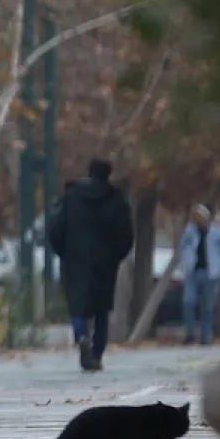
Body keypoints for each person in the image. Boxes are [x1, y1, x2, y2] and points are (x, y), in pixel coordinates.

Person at [46, 158, 134, 372]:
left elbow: (55, 227)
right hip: (105, 263)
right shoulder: (116, 199)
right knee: (101, 309)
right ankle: (97, 351)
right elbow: (126, 235)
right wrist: (115, 256)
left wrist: (64, 253)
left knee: (77, 305)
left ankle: (81, 335)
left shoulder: (71, 196)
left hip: (76, 260)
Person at [178, 203, 220, 345]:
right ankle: (189, 334)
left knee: (207, 305)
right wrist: (186, 260)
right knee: (188, 301)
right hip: (193, 272)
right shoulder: (190, 231)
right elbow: (182, 247)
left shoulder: (217, 232)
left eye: (199, 216)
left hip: (210, 273)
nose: (197, 219)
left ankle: (205, 336)